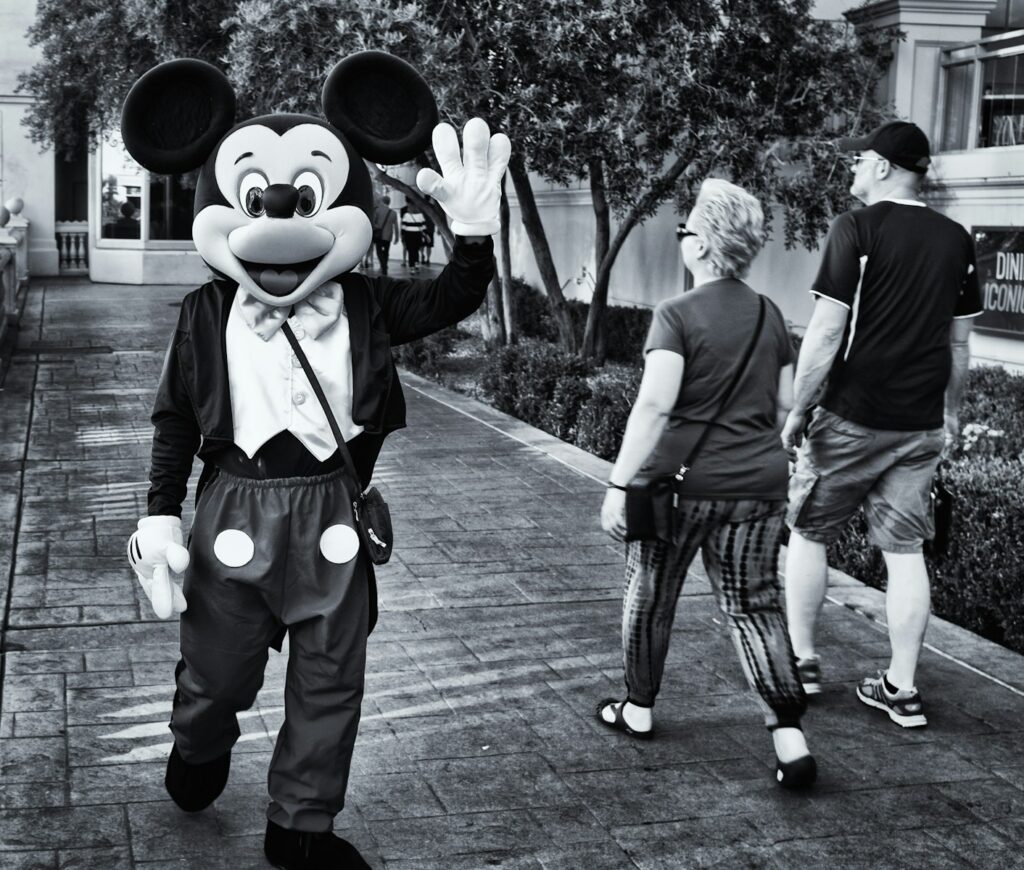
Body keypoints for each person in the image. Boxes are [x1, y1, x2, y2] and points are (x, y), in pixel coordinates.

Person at [598, 178, 815, 789]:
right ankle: (790, 738)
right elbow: (784, 405)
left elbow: (654, 408)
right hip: (758, 486)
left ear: (702, 245)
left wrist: (618, 484)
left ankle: (638, 708)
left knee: (650, 594)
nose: (681, 238)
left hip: (679, 488)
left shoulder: (675, 315)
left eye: (685, 228)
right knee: (754, 606)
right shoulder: (770, 315)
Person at [780, 121, 983, 729]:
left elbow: (825, 332)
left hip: (851, 417)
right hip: (918, 427)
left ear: (888, 167)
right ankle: (901, 687)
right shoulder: (956, 239)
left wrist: (796, 409)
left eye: (860, 160)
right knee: (905, 553)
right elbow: (960, 345)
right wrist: (948, 412)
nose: (852, 169)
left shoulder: (857, 230)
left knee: (810, 533)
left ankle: (803, 663)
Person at [371, 194, 399, 274]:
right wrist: (397, 237)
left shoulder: (377, 210)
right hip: (388, 236)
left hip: (379, 235)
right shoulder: (393, 213)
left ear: (382, 201)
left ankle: (383, 266)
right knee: (386, 252)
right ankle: (385, 265)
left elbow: (373, 222)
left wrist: (377, 226)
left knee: (379, 251)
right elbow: (396, 226)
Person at [401, 203, 427, 273]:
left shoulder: (406, 215)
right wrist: (425, 235)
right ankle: (416, 264)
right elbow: (423, 227)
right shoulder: (421, 215)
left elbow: (403, 227)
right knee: (416, 250)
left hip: (408, 235)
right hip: (418, 235)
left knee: (411, 251)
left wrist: (402, 236)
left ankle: (412, 268)